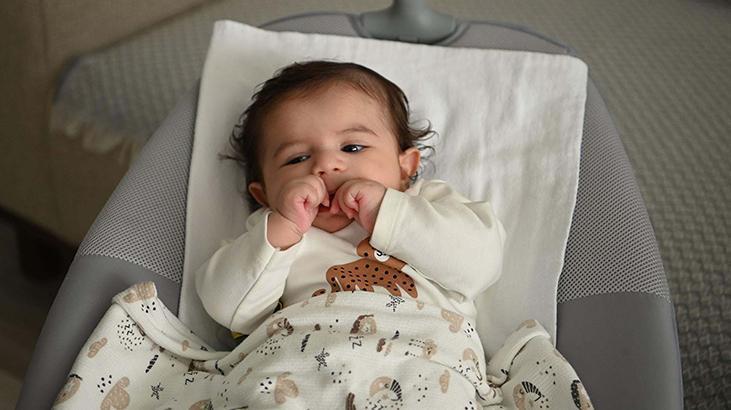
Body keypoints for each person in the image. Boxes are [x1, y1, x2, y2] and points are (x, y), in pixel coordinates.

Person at [196, 60, 506, 337]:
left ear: (405, 167)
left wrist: (388, 212)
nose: (325, 164)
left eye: (352, 147)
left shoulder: (428, 203)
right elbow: (228, 310)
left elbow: (480, 264)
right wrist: (282, 228)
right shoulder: (269, 237)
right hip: (305, 366)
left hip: (429, 359)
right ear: (264, 194)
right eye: (297, 158)